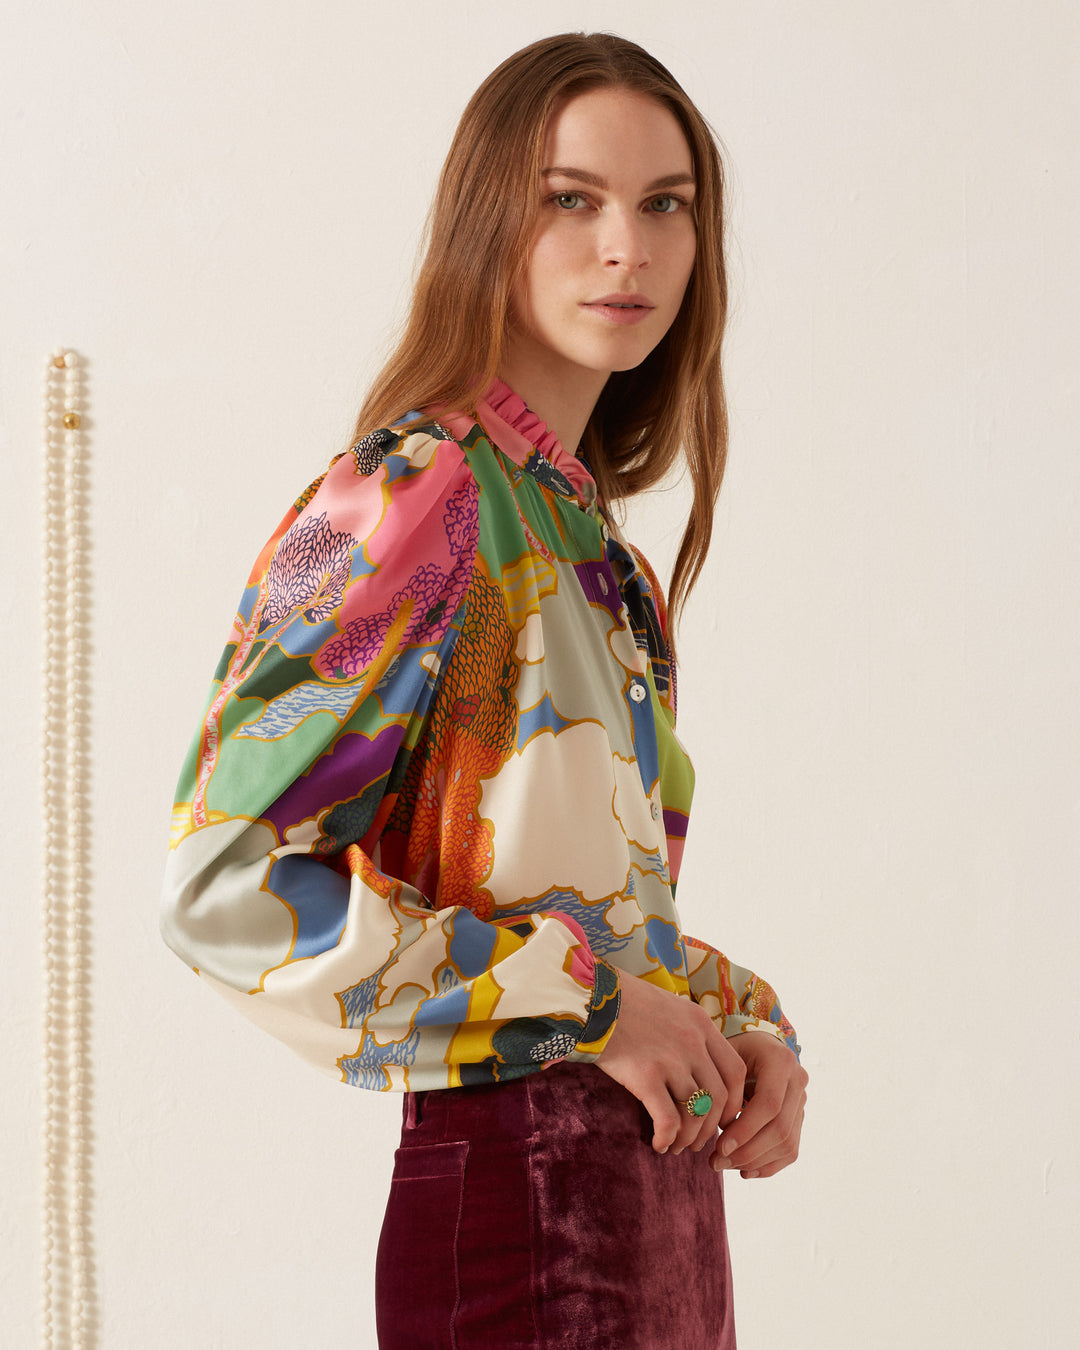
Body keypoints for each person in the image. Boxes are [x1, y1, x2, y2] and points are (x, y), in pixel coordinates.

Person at [162, 30, 808, 1350]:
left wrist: (741, 1029)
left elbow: (591, 918)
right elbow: (228, 885)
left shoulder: (599, 560)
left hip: (658, 1225)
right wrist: (591, 1003)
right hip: (524, 1228)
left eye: (664, 204)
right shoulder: (409, 496)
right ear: (486, 223)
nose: (625, 247)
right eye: (570, 199)